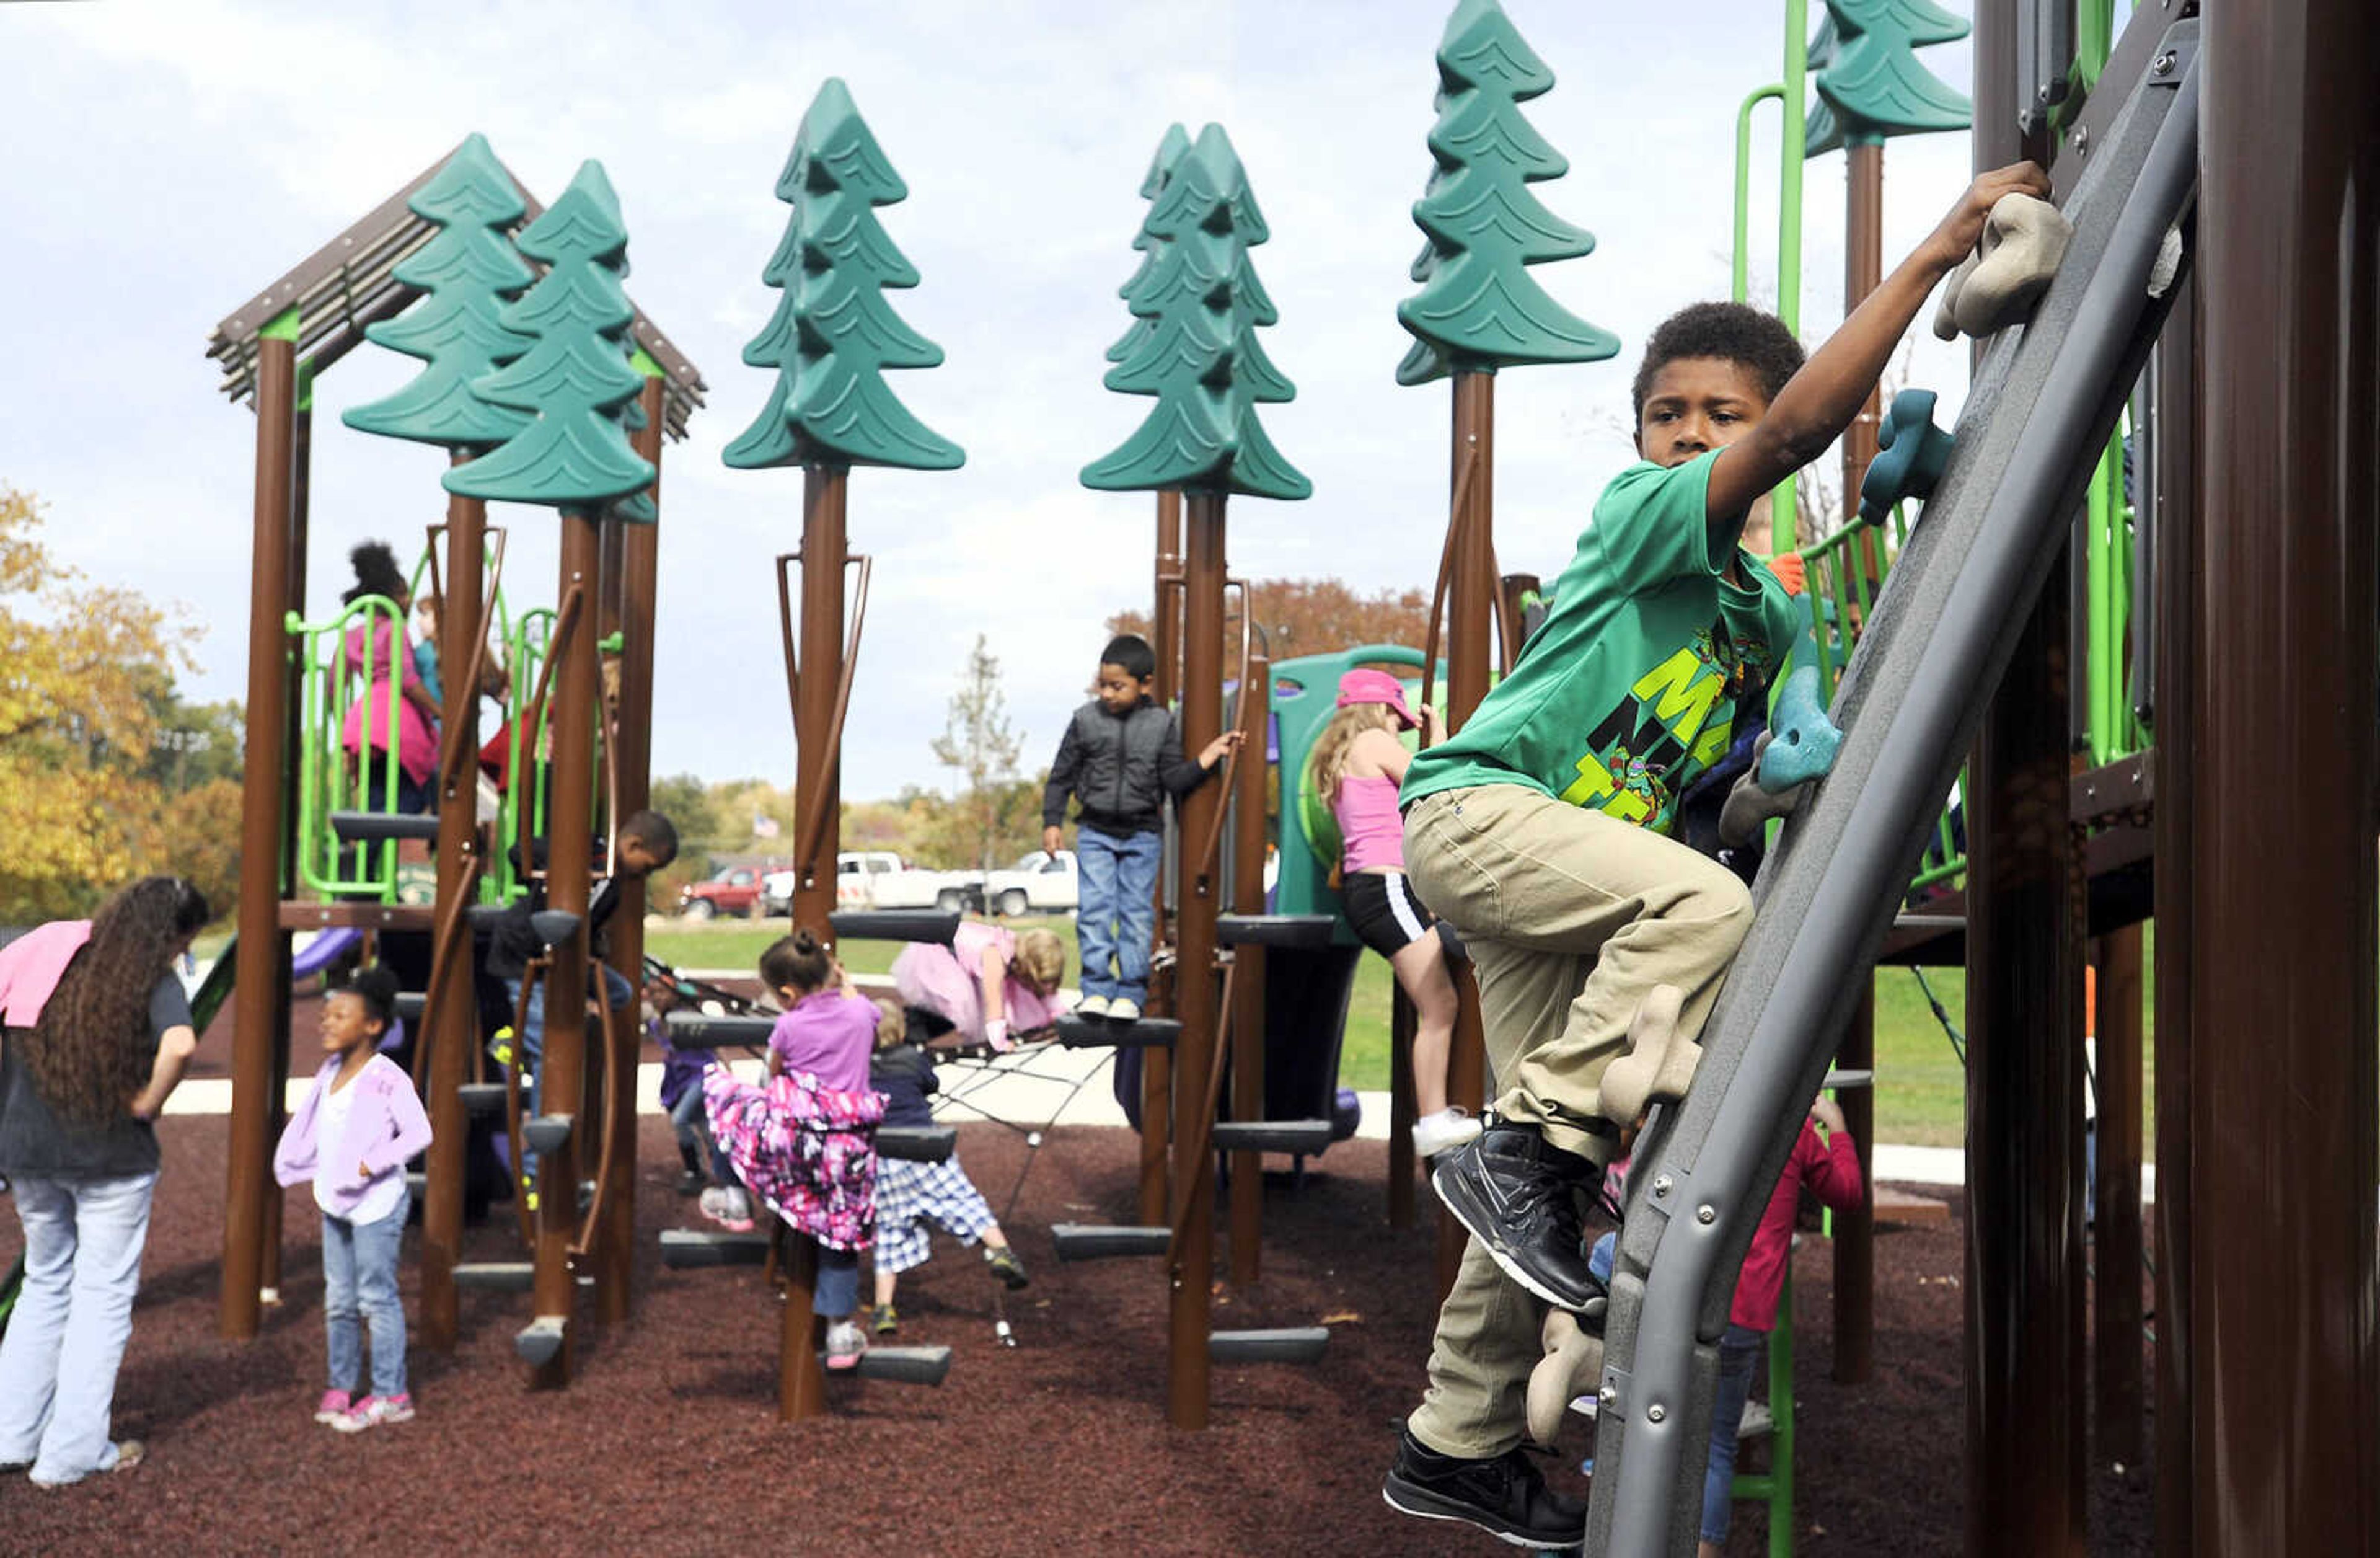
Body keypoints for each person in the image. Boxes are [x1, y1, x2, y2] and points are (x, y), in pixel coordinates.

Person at [1383, 161, 2049, 1548]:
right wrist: (1934, 249)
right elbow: (1807, 427)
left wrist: (1775, 775)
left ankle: (1454, 1438)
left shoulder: (1764, 619)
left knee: (1535, 1214)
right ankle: (1526, 1145)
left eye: (1718, 416)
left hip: (1559, 897)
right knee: (1684, 931)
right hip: (1479, 807)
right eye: (1668, 414)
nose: (1689, 434)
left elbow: (1735, 779)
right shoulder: (1641, 521)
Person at [0, 875, 209, 1487]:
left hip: (28, 1148)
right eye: (185, 944)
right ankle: (71, 1451)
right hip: (111, 1155)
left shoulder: (43, 950)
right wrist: (147, 1101)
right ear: (171, 935)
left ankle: (10, 1431)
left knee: (45, 1281)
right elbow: (181, 1043)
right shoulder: (146, 974)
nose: (182, 956)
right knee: (102, 1294)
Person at [1309, 668, 1476, 1159]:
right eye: (1396, 719)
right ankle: (1432, 1121)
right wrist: (1440, 733)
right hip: (1385, 886)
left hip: (1374, 889)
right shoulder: (1374, 741)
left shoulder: (1344, 752)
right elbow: (1433, 782)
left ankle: (1432, 1115)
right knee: (1441, 1004)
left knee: (1436, 1000)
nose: (1398, 729)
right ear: (1380, 710)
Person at [703, 931, 883, 1370]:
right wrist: (846, 982)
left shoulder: (788, 1025)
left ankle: (734, 1194)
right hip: (846, 1147)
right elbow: (864, 1007)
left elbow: (774, 1073)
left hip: (795, 1141)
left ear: (787, 993)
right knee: (841, 1235)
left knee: (724, 1098)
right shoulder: (862, 1013)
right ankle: (841, 1330)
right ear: (832, 973)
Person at [1041, 632, 1242, 1022]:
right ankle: (1097, 989)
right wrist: (1052, 822)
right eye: (1103, 685)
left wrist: (1206, 758)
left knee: (1136, 913)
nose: (1109, 694)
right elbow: (1061, 776)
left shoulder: (1160, 723)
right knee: (1096, 909)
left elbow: (1172, 780)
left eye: (1118, 686)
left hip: (1142, 834)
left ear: (1144, 683)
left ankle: (1130, 993)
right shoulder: (1086, 720)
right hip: (1096, 831)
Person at [1693, 1097, 1861, 1557]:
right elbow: (1847, 1191)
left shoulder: (1708, 1117)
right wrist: (1839, 1128)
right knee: (1716, 1446)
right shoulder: (1795, 1130)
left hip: (1687, 1293)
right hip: (1743, 1311)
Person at [272, 967, 433, 1434]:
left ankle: (391, 1394)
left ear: (373, 1026)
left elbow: (420, 1131)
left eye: (340, 1015)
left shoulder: (386, 1077)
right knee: (338, 1300)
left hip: (378, 1203)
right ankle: (342, 1384)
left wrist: (373, 1162)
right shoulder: (329, 1072)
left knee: (376, 1298)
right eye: (326, 1014)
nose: (327, 1022)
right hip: (336, 1201)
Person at [482, 809, 677, 1190]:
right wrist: (555, 862)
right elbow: (517, 854)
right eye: (647, 867)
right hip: (524, 954)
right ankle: (536, 1166)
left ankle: (540, 1034)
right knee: (546, 1059)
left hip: (567, 960)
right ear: (633, 845)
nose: (645, 876)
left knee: (620, 993)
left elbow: (591, 923)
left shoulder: (616, 885)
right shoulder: (585, 852)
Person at [864, 998, 1029, 1335]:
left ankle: (884, 1308)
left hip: (884, 1160)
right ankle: (1000, 1251)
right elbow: (931, 1084)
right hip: (925, 1150)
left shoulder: (859, 1067)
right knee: (963, 1201)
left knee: (889, 1232)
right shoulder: (913, 1059)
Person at [339, 541, 440, 817]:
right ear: (390, 596)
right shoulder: (395, 629)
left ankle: (363, 857)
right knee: (416, 795)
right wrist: (440, 711)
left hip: (365, 718)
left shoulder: (354, 634)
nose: (408, 600)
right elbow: (407, 680)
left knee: (376, 795)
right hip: (395, 718)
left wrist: (345, 722)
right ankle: (370, 846)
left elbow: (335, 683)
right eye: (403, 594)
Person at [889, 921, 1067, 1053]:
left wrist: (1060, 1015)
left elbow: (1044, 992)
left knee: (965, 1011)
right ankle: (908, 1033)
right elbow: (994, 1002)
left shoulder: (1015, 948)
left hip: (959, 964)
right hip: (939, 957)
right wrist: (1000, 1043)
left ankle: (915, 1032)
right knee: (959, 1010)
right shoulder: (995, 956)